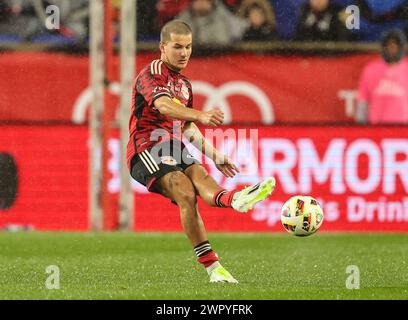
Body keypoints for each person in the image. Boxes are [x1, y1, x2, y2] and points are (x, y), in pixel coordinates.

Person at [126, 20, 276, 283]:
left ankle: (235, 201)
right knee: (184, 190)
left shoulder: (184, 84)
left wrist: (215, 155)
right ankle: (211, 265)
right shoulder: (150, 73)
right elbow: (163, 106)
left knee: (201, 176)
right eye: (177, 47)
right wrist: (203, 114)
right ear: (162, 47)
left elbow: (186, 126)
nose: (184, 53)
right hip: (146, 146)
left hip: (173, 145)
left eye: (188, 47)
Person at [356, 29, 408, 124]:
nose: (392, 49)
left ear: (401, 48)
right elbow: (363, 100)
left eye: (395, 46)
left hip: (403, 130)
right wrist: (360, 126)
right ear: (384, 47)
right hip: (376, 128)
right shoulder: (371, 70)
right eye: (389, 45)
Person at [176, 0, 248, 46]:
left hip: (218, 59)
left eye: (205, 1)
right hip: (193, 61)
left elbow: (239, 28)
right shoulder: (184, 19)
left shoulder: (222, 18)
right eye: (197, 0)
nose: (201, 3)